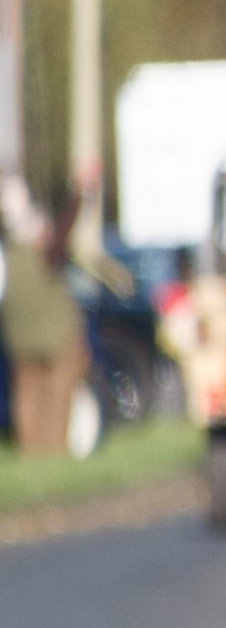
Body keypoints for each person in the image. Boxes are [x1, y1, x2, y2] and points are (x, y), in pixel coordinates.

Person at [1, 192, 92, 455]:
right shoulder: (44, 255)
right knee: (58, 401)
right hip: (57, 341)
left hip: (20, 343)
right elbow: (64, 230)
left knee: (27, 402)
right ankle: (54, 455)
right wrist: (79, 194)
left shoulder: (7, 259)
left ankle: (31, 456)